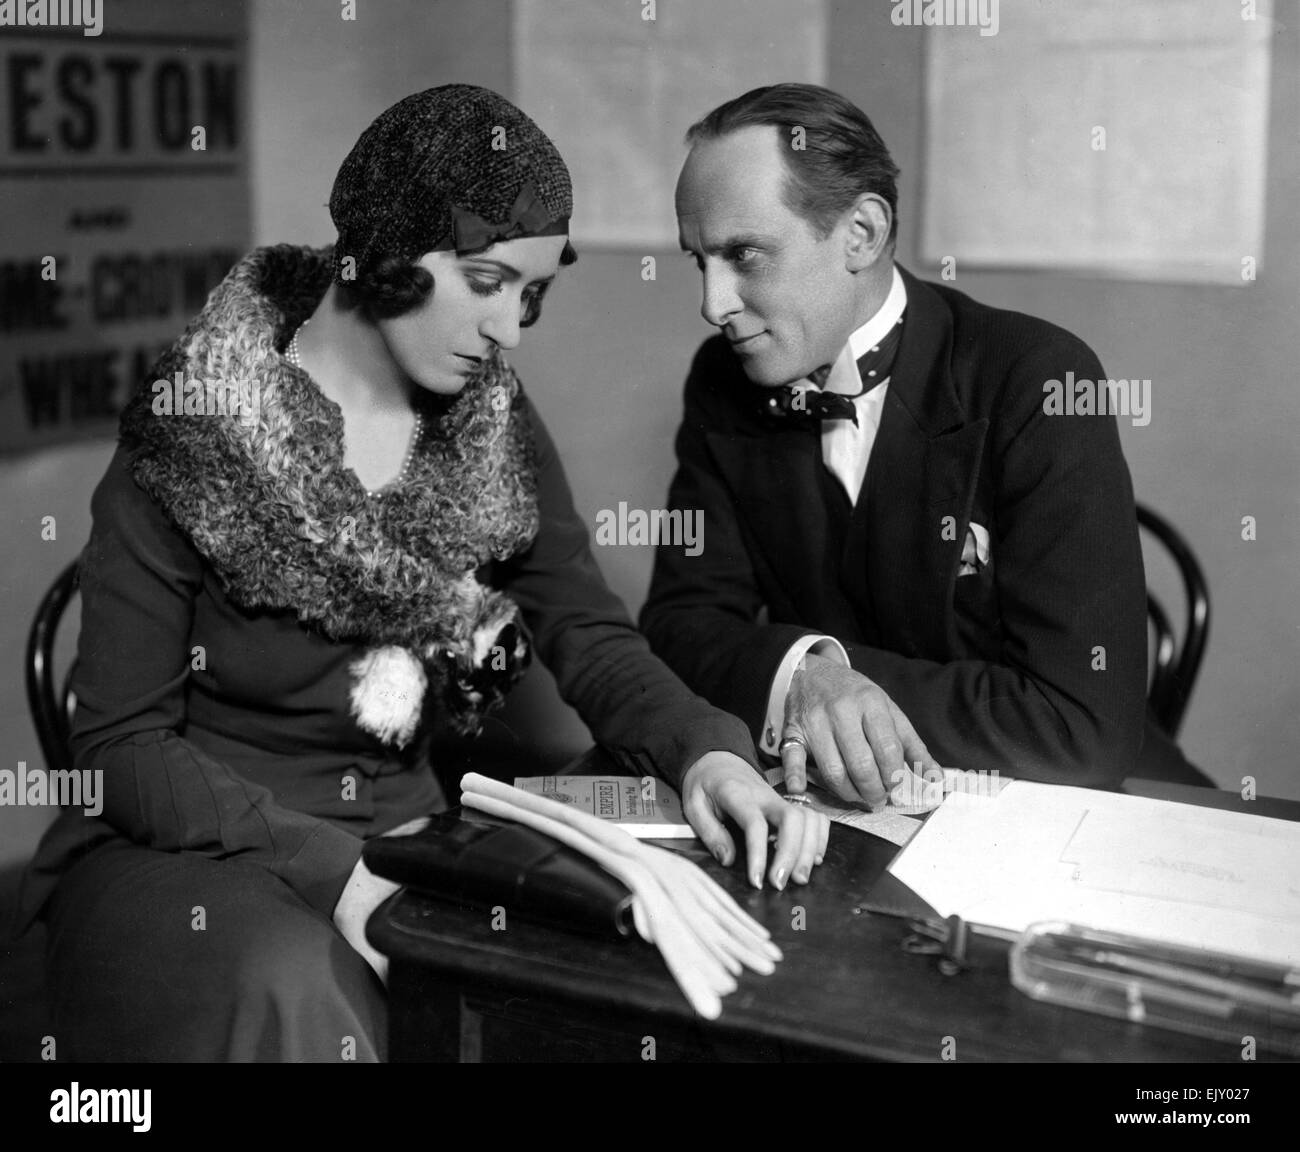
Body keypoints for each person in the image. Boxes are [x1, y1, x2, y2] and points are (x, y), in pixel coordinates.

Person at [19, 85, 827, 1063]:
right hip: (191, 843)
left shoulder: (487, 419)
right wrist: (340, 874)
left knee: (607, 990)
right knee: (302, 994)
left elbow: (587, 632)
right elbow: (119, 744)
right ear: (389, 247)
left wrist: (709, 752)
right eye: (486, 281)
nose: (509, 331)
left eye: (529, 295)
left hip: (403, 833)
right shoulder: (197, 423)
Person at [640, 83, 1212, 808]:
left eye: (744, 255)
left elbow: (1079, 728)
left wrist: (840, 690)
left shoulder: (1038, 379)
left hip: (1084, 813)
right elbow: (677, 629)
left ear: (863, 234)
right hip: (851, 809)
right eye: (699, 261)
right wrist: (804, 673)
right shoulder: (724, 382)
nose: (712, 303)